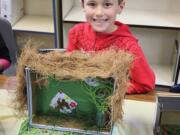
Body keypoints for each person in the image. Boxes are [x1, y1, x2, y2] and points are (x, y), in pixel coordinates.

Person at [67, 0, 155, 94]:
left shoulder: (128, 47)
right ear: (83, 5)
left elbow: (146, 83)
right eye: (92, 4)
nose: (99, 13)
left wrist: (112, 90)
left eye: (107, 4)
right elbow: (71, 67)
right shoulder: (76, 33)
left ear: (120, 6)